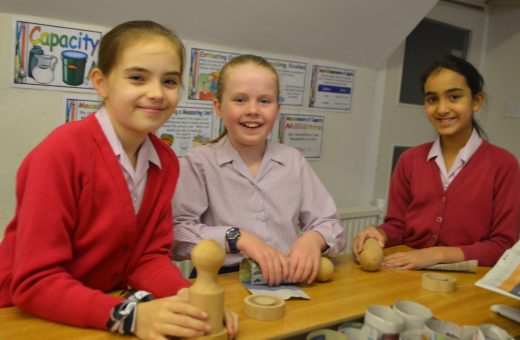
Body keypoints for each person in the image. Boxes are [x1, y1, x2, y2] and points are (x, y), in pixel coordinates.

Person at [0, 21, 237, 339]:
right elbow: (34, 282)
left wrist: (191, 302)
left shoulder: (164, 161)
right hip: (22, 315)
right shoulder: (61, 152)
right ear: (102, 82)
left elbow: (147, 257)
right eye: (137, 77)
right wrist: (130, 316)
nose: (155, 93)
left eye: (169, 81)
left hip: (97, 312)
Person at [173, 54, 346, 286]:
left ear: (277, 108)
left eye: (265, 101)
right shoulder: (198, 163)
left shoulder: (293, 161)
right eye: (240, 100)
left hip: (286, 275)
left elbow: (329, 223)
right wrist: (237, 238)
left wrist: (314, 240)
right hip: (222, 279)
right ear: (218, 107)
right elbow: (178, 234)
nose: (253, 110)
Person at [353, 54, 520, 269]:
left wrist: (438, 254)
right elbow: (399, 225)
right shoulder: (410, 160)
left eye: (454, 97)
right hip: (408, 273)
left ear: (476, 101)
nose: (442, 109)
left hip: (470, 282)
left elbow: (502, 247)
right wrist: (380, 233)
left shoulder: (503, 164)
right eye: (432, 99)